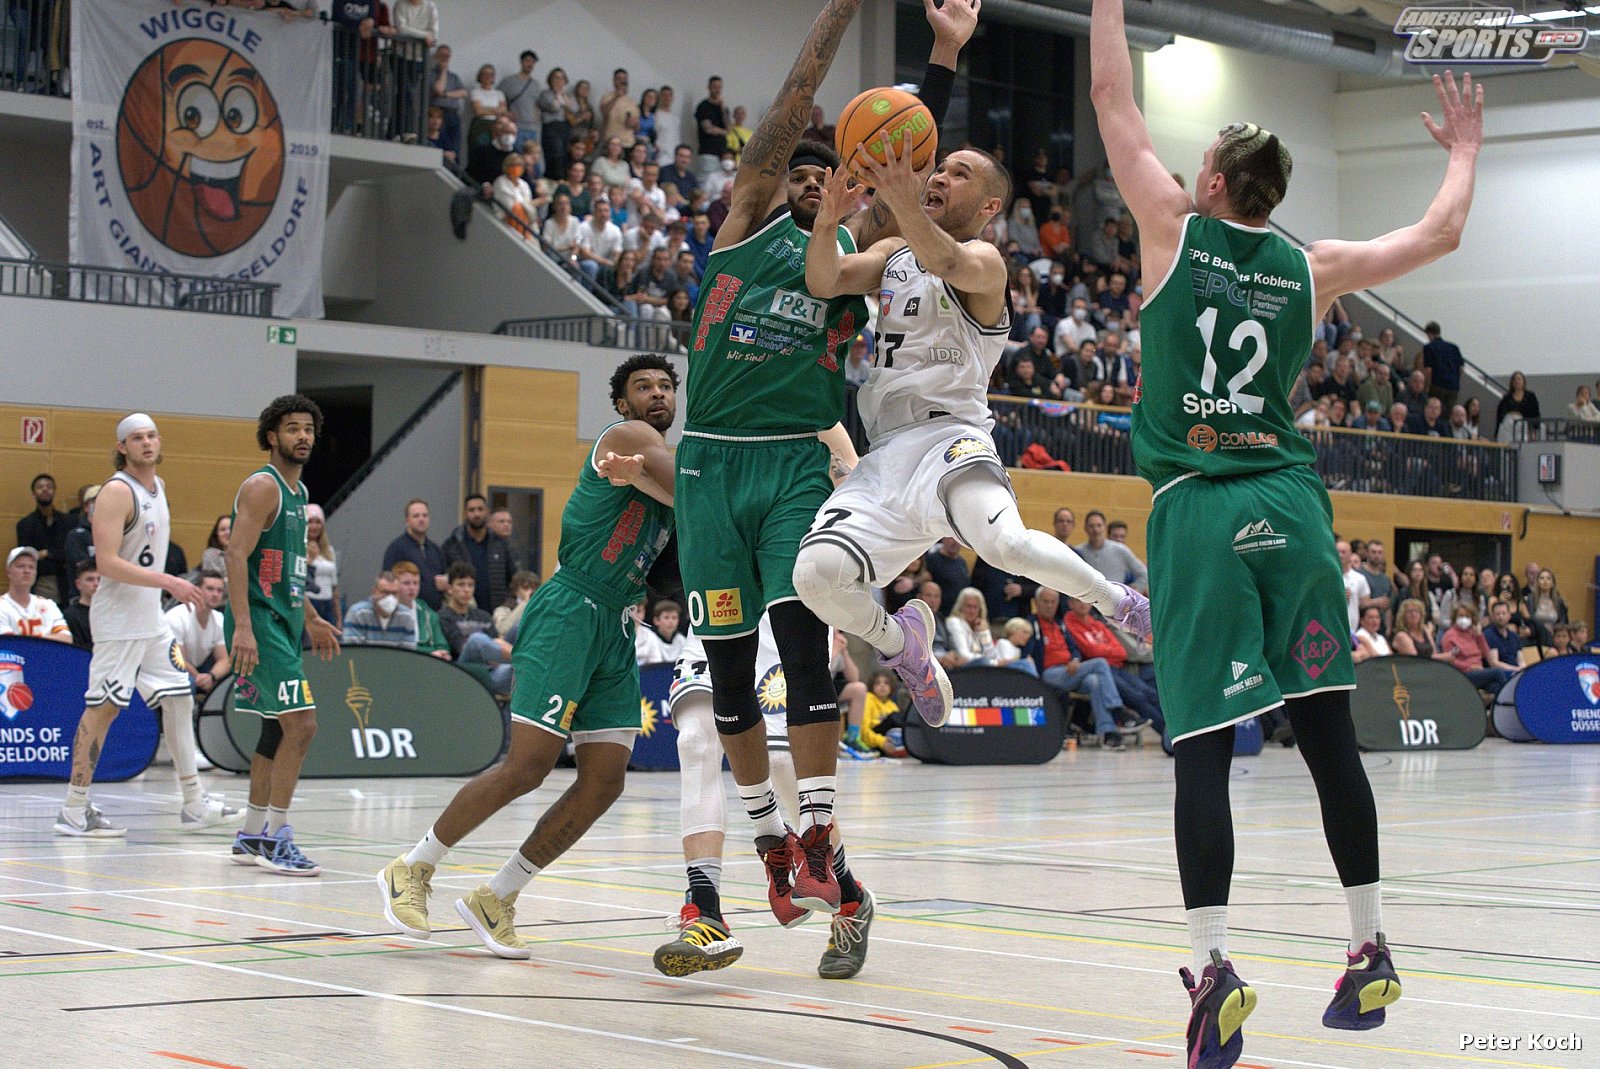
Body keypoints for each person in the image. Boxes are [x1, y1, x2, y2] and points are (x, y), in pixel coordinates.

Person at [1090, 0, 1484, 1056]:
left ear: (1216, 182)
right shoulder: (1311, 266)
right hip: (1294, 507)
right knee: (1326, 738)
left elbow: (1110, 94)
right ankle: (1370, 945)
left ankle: (1214, 965)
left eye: (1201, 159)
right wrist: (1463, 152)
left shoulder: (1171, 228)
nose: (1187, 168)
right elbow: (1440, 233)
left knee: (1202, 752)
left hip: (1200, 507)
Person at [673, 0, 980, 949]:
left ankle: (816, 830)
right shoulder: (742, 227)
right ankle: (772, 844)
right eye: (800, 174)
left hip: (796, 460)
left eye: (829, 174)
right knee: (729, 672)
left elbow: (906, 157)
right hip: (709, 463)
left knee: (803, 647)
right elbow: (794, 101)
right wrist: (842, 11)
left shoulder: (861, 256)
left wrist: (942, 56)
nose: (812, 182)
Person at [795, 121, 1149, 726]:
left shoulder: (986, 262)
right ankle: (902, 642)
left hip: (952, 436)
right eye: (940, 168)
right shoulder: (894, 252)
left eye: (958, 174)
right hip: (885, 454)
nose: (939, 176)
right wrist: (828, 222)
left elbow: (944, 256)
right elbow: (824, 279)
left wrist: (899, 194)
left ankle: (1118, 602)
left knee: (1005, 544)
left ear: (989, 207)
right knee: (814, 576)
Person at [377, 356, 678, 959]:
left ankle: (498, 896)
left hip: (617, 621)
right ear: (622, 404)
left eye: (667, 386)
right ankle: (412, 867)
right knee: (528, 766)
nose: (657, 394)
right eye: (643, 387)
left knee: (605, 781)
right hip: (570, 611)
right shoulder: (627, 438)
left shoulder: (663, 471)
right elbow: (698, 487)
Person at [51, 415, 236, 838]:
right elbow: (106, 563)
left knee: (178, 696)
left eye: (152, 435)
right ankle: (74, 809)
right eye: (137, 438)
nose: (147, 443)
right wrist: (169, 581)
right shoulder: (117, 492)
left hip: (151, 619)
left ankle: (194, 803)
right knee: (105, 708)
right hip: (119, 620)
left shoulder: (159, 486)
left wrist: (161, 587)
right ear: (122, 447)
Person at [225, 397, 341, 875]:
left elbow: (287, 572)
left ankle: (252, 833)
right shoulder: (263, 487)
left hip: (284, 621)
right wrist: (244, 627)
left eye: (309, 428)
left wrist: (311, 617)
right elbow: (235, 555)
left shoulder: (300, 493)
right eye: (293, 428)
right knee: (303, 725)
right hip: (260, 624)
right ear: (272, 436)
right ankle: (276, 837)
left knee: (275, 729)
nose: (303, 436)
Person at [441, 494, 518, 613]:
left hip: (496, 613)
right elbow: (444, 579)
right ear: (465, 514)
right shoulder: (452, 545)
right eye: (471, 510)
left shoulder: (501, 545)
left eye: (480, 509)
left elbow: (514, 579)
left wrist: (506, 606)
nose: (476, 514)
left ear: (487, 512)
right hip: (463, 614)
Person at [165, 570, 231, 702]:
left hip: (201, 668)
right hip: (171, 668)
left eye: (219, 590)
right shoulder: (176, 617)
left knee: (233, 677)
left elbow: (225, 659)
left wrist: (211, 677)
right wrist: (199, 678)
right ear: (197, 590)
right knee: (186, 683)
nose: (215, 594)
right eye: (210, 589)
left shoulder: (219, 619)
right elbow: (178, 660)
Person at [382, 499, 447, 610]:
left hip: (433, 614)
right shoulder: (396, 548)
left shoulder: (435, 549)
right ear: (407, 521)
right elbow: (387, 583)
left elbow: (445, 573)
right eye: (416, 516)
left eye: (425, 515)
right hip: (406, 612)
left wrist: (446, 581)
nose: (421, 519)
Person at [16, 472, 68, 602]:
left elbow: (67, 552)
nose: (45, 489)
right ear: (33, 493)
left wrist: (46, 553)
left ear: (54, 491)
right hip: (40, 580)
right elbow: (29, 556)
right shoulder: (25, 524)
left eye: (49, 487)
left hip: (66, 580)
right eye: (40, 487)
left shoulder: (67, 521)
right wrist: (55, 555)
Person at [0, 547, 71, 641]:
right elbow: (9, 643)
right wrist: (47, 640)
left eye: (31, 567)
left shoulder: (49, 605)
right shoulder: (2, 606)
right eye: (21, 566)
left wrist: (33, 641)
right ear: (8, 572)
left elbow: (67, 638)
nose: (26, 571)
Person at [1439, 605, 1513, 695]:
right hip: (1463, 673)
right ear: (1455, 618)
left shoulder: (1473, 633)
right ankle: (1512, 697)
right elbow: (1450, 661)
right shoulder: (1449, 636)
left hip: (1479, 671)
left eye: (1467, 616)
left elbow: (1486, 654)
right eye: (1461, 616)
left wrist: (1479, 636)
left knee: (1495, 687)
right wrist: (1469, 667)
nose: (1464, 619)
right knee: (1498, 672)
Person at [1074, 510, 1148, 592]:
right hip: (1086, 598)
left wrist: (1132, 591)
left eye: (1099, 525)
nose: (1095, 529)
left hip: (1116, 599)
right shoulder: (1078, 552)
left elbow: (1144, 574)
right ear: (1085, 528)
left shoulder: (1121, 550)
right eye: (1091, 526)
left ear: (1104, 527)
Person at [342, 571, 417, 648]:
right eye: (385, 592)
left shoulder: (407, 616)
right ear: (374, 591)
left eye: (394, 593)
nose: (390, 598)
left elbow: (407, 652)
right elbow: (353, 650)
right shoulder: (358, 613)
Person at [304, 504, 340, 630]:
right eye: (310, 522)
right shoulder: (298, 547)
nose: (314, 526)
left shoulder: (329, 550)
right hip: (309, 601)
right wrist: (309, 559)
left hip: (328, 602)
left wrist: (338, 616)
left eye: (318, 522)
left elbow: (334, 585)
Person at [635, 599, 686, 664]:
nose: (670, 621)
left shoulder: (681, 639)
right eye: (666, 617)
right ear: (656, 620)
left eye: (674, 618)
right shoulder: (651, 636)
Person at [63, 560, 98, 649]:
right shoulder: (70, 615)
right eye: (90, 579)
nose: (96, 584)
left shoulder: (112, 611)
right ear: (78, 584)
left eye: (99, 579)